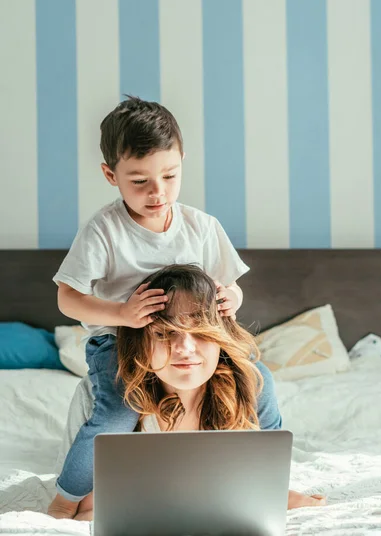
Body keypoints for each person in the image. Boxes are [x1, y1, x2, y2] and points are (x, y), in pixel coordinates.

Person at [48, 96, 268, 517]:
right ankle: (66, 498)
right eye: (139, 181)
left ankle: (267, 483)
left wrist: (230, 298)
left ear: (182, 160)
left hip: (190, 338)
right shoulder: (104, 231)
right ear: (110, 175)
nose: (157, 192)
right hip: (120, 339)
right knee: (118, 411)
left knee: (257, 380)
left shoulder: (202, 227)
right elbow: (67, 296)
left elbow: (234, 285)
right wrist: (122, 314)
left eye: (169, 176)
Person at [50, 265, 326, 521]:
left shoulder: (253, 384)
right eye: (163, 334)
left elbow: (268, 477)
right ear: (140, 343)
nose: (184, 348)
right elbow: (86, 509)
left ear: (221, 337)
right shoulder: (98, 395)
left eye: (201, 332)